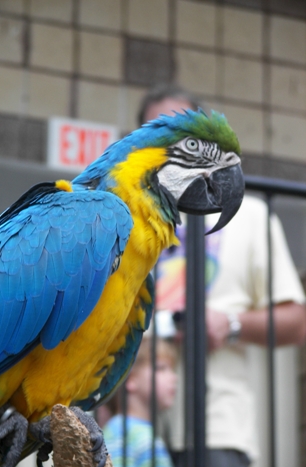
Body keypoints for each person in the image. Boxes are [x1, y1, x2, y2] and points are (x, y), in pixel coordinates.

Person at [138, 84, 306, 467]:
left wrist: (228, 324)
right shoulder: (126, 217)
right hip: (132, 422)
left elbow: (297, 322)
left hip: (220, 427)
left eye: (187, 138)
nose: (174, 147)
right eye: (159, 135)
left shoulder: (250, 215)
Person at [103, 336, 177, 467]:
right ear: (130, 379)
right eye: (161, 368)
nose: (173, 377)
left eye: (172, 370)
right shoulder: (128, 434)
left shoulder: (114, 430)